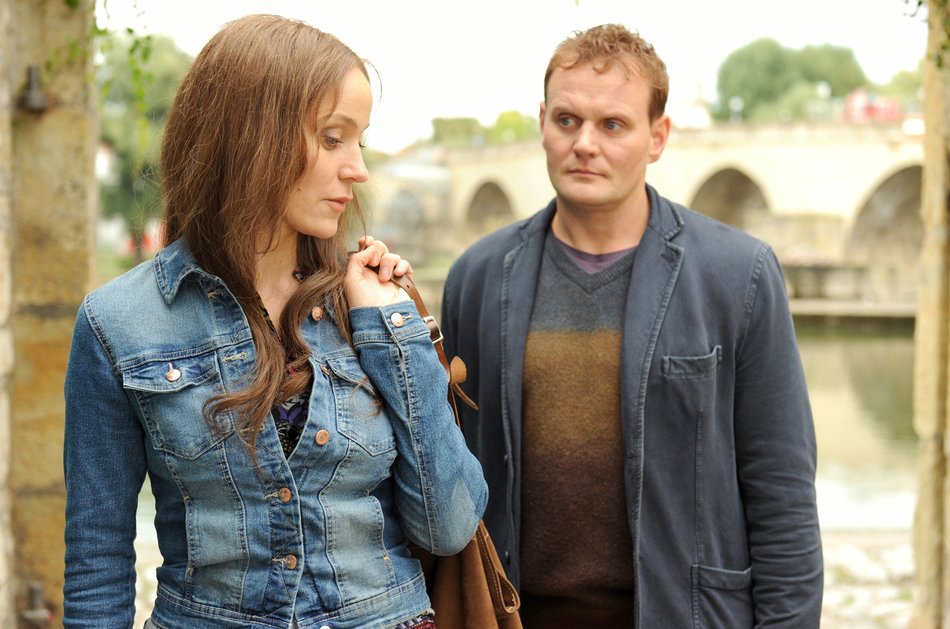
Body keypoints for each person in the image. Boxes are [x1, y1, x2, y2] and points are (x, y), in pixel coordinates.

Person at [63, 15, 487, 629]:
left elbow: (449, 525)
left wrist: (392, 329)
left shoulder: (369, 303)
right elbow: (97, 561)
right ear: (252, 137)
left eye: (360, 142)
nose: (358, 169)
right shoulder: (117, 323)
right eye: (334, 138)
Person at [441, 24, 823, 627]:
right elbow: (449, 474)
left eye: (613, 125)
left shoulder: (738, 274)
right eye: (567, 120)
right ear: (542, 122)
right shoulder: (478, 276)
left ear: (657, 137)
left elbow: (783, 493)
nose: (584, 144)